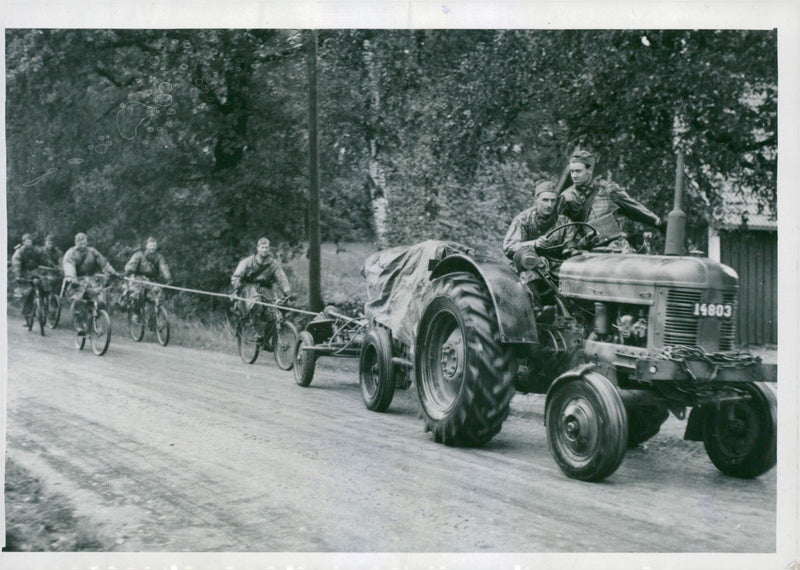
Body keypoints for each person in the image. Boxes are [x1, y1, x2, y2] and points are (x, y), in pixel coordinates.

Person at [557, 150, 662, 252]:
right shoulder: (566, 197)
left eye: (578, 171)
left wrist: (657, 222)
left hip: (614, 246)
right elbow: (560, 228)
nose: (574, 176)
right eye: (572, 171)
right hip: (584, 250)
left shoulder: (608, 189)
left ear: (590, 170)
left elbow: (632, 208)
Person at [503, 180, 576, 274]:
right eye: (545, 200)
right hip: (530, 266)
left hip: (558, 267)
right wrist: (534, 243)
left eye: (553, 200)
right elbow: (509, 247)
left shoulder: (564, 222)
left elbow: (571, 248)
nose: (549, 205)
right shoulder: (523, 220)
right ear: (536, 200)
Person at [62, 232, 119, 334]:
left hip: (91, 279)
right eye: (80, 243)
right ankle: (79, 323)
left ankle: (97, 320)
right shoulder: (71, 253)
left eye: (84, 242)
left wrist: (113, 272)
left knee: (100, 299)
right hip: (77, 280)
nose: (83, 245)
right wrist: (72, 278)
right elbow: (69, 266)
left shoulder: (92, 251)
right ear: (76, 242)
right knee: (78, 300)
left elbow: (103, 263)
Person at [231, 237, 292, 324]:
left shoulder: (273, 264)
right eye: (262, 247)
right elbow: (236, 276)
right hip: (249, 290)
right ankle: (257, 334)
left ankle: (273, 332)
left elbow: (281, 279)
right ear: (258, 248)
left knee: (274, 313)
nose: (264, 250)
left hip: (267, 290)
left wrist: (287, 291)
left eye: (266, 247)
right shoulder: (248, 262)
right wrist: (238, 285)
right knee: (255, 306)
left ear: (269, 249)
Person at [120, 237, 172, 309]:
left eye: (154, 246)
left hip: (151, 281)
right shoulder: (139, 254)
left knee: (158, 293)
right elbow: (131, 265)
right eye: (151, 246)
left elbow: (163, 266)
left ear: (156, 247)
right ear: (147, 246)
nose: (152, 248)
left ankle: (156, 313)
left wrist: (168, 277)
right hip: (137, 280)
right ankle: (136, 313)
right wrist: (130, 270)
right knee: (136, 295)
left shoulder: (159, 257)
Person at [11, 233, 46, 322]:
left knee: (44, 286)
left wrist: (52, 266)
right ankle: (27, 313)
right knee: (28, 292)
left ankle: (43, 307)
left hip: (35, 271)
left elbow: (44, 259)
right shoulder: (19, 252)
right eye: (27, 241)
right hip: (24, 273)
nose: (29, 243)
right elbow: (16, 264)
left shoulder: (36, 250)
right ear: (23, 242)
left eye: (30, 241)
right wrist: (18, 275)